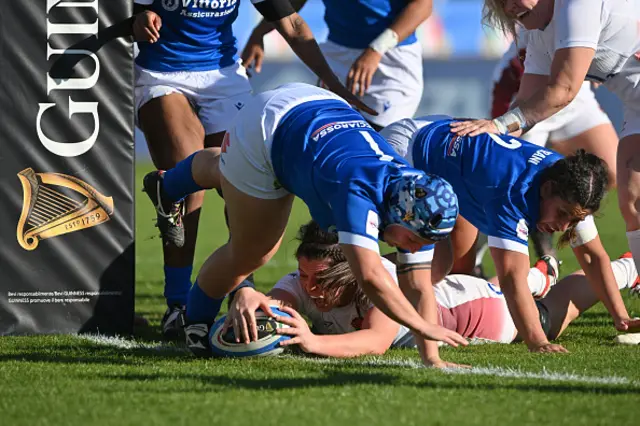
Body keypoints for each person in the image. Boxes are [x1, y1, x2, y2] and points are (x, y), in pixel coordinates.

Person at [142, 83, 468, 367]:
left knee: (227, 171)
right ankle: (195, 323)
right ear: (399, 215)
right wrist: (423, 326)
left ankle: (169, 186)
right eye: (415, 240)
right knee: (251, 254)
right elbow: (370, 276)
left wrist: (432, 356)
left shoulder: (405, 188)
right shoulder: (358, 190)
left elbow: (415, 283)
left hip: (314, 105)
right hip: (270, 132)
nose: (416, 248)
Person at [131, 0, 378, 338]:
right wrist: (136, 20)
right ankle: (177, 305)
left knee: (246, 177)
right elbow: (116, 14)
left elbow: (291, 23)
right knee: (191, 183)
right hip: (161, 74)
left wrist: (331, 81)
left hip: (223, 79)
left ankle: (241, 291)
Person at [450, 0, 640, 328]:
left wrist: (497, 126)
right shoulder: (537, 29)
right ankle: (473, 265)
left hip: (570, 99)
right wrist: (489, 138)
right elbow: (526, 101)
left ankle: (545, 271)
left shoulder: (575, 5)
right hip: (616, 102)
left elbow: (564, 89)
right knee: (632, 201)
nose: (509, 7)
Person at [379, 115, 637, 353]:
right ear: (546, 189)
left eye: (575, 220)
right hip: (409, 149)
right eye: (561, 215)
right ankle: (351, 268)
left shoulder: (571, 185)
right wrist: (538, 342)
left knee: (446, 266)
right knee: (427, 261)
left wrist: (620, 316)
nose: (563, 227)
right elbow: (513, 277)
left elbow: (593, 256)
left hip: (452, 161)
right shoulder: (512, 193)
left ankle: (360, 274)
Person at [234, 221, 640, 357]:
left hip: (482, 317)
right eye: (304, 276)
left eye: (320, 279)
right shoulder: (303, 282)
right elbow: (277, 302)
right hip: (457, 291)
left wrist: (311, 340)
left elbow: (376, 340)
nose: (309, 287)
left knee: (552, 312)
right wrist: (250, 297)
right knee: (513, 285)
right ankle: (540, 271)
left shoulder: (381, 284)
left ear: (351, 273)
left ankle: (627, 270)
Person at [488, 29, 619, 263]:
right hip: (529, 97)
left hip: (574, 95)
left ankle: (567, 229)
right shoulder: (540, 17)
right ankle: (545, 257)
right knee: (516, 188)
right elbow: (528, 58)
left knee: (614, 170)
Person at [241, 0, 432, 130]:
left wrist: (376, 50)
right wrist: (260, 31)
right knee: (329, 139)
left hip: (391, 58)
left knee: (383, 146)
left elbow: (424, 5)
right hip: (336, 55)